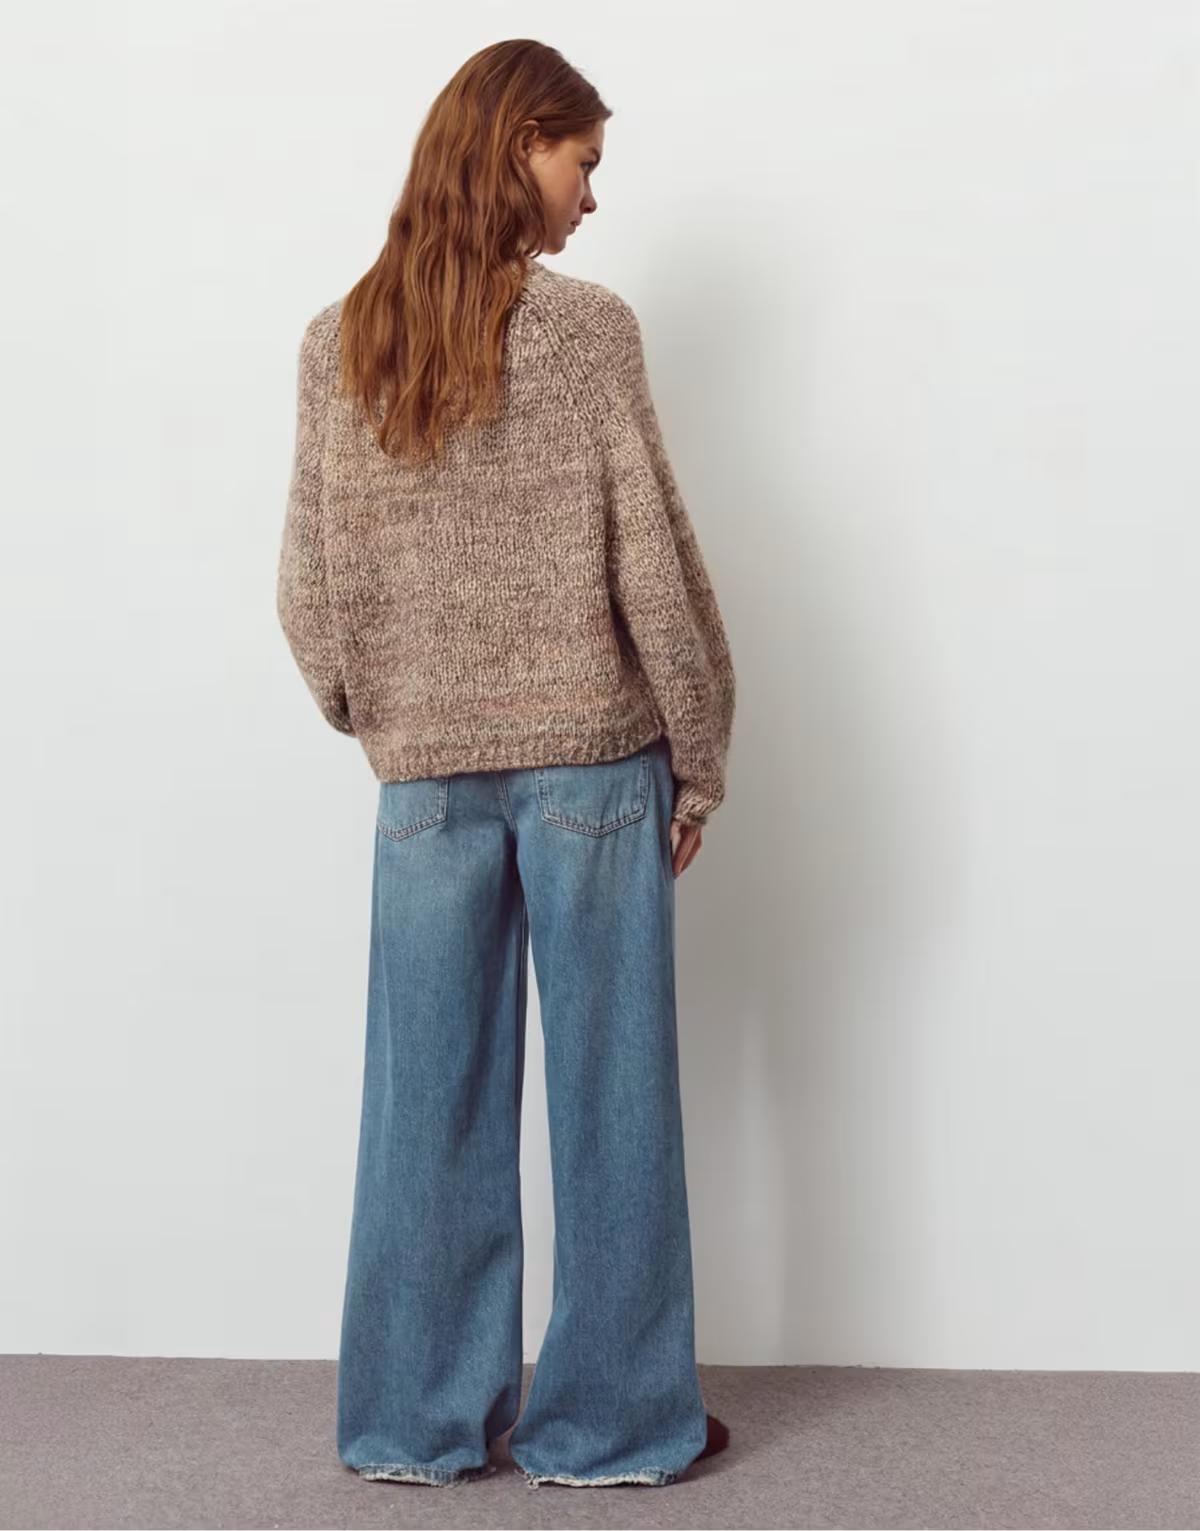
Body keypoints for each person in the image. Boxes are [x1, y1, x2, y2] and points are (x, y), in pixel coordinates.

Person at [276, 38, 736, 1490]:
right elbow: (653, 563)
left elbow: (305, 589)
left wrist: (389, 717)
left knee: (427, 1108)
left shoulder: (340, 340)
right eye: (581, 162)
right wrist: (700, 756)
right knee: (612, 1107)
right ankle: (607, 1426)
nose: (592, 197)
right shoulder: (588, 331)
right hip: (594, 772)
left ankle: (414, 1423)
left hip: (427, 788)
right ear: (518, 143)